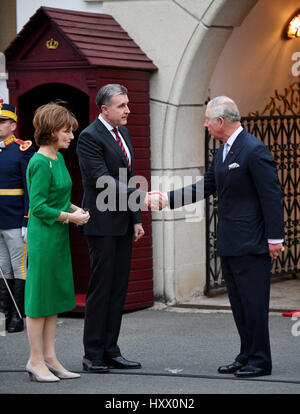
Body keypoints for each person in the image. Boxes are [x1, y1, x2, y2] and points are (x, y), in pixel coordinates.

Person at [150, 96, 284, 378]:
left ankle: (260, 360)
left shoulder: (253, 150)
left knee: (253, 303)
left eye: (208, 120)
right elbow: (204, 186)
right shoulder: (223, 152)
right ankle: (246, 354)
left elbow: (271, 196)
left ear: (221, 121)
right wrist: (166, 199)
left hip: (252, 242)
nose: (205, 125)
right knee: (238, 303)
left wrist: (275, 238)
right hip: (231, 241)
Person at [77, 84, 146, 373]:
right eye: (122, 106)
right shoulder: (89, 137)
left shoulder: (123, 133)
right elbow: (103, 181)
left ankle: (111, 349)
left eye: (128, 104)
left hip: (122, 223)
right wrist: (142, 198)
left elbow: (125, 179)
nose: (128, 110)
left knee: (118, 289)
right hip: (102, 225)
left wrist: (136, 219)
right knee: (101, 288)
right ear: (104, 109)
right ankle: (93, 352)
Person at [25, 102, 90, 382]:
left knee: (52, 299)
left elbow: (59, 199)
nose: (71, 136)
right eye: (67, 131)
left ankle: (50, 357)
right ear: (51, 131)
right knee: (38, 301)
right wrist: (70, 218)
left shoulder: (59, 159)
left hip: (57, 236)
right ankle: (35, 360)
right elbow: (38, 207)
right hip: (43, 239)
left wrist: (75, 210)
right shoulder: (39, 162)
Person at [0, 100, 35, 333]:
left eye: (3, 122)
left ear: (13, 125)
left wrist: (26, 220)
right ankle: (5, 312)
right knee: (2, 267)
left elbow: (29, 188)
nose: (0, 126)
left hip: (14, 219)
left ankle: (18, 315)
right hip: (0, 219)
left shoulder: (22, 150)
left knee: (18, 267)